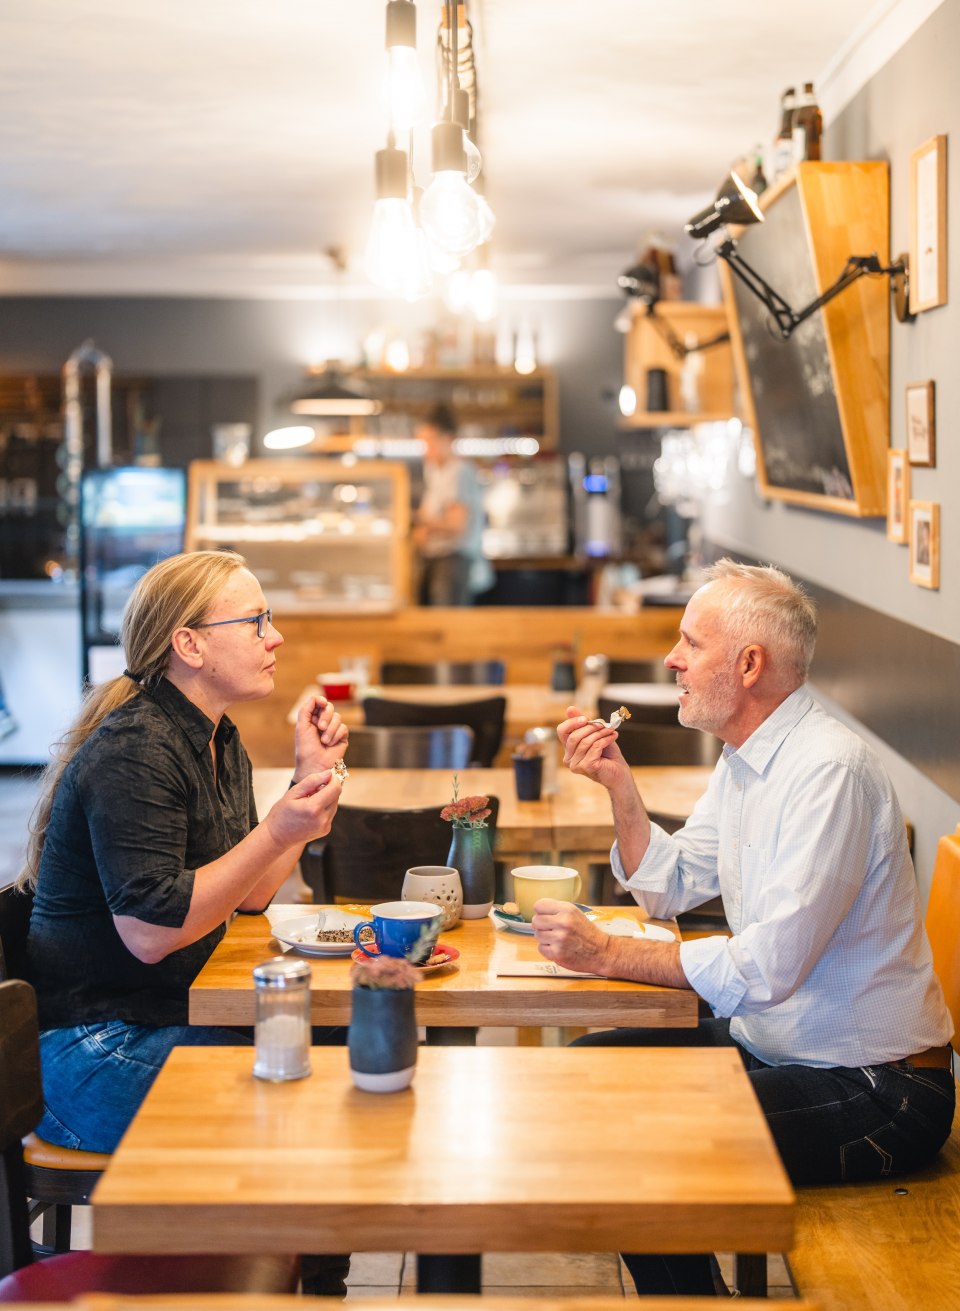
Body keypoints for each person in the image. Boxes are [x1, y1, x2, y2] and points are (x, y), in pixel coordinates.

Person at [537, 559, 954, 1297]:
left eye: (690, 643)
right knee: (585, 1075)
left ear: (748, 664)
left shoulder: (830, 772)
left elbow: (766, 970)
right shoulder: (746, 758)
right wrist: (620, 787)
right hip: (775, 1046)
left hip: (878, 1089)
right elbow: (668, 884)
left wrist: (605, 951)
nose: (672, 659)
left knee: (647, 1146)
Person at [19, 549, 350, 1294]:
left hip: (162, 1015)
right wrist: (278, 830)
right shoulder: (136, 749)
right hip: (93, 1049)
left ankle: (316, 1282)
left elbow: (251, 896)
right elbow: (151, 930)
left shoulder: (215, 734)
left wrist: (302, 793)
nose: (278, 636)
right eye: (257, 619)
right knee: (306, 1099)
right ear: (190, 644)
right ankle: (253, 1281)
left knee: (333, 1042)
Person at [412, 403, 491, 605]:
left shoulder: (459, 471)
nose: (425, 449)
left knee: (450, 628)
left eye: (428, 441)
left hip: (454, 562)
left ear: (446, 438)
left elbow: (457, 525)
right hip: (437, 559)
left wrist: (419, 521)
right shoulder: (434, 470)